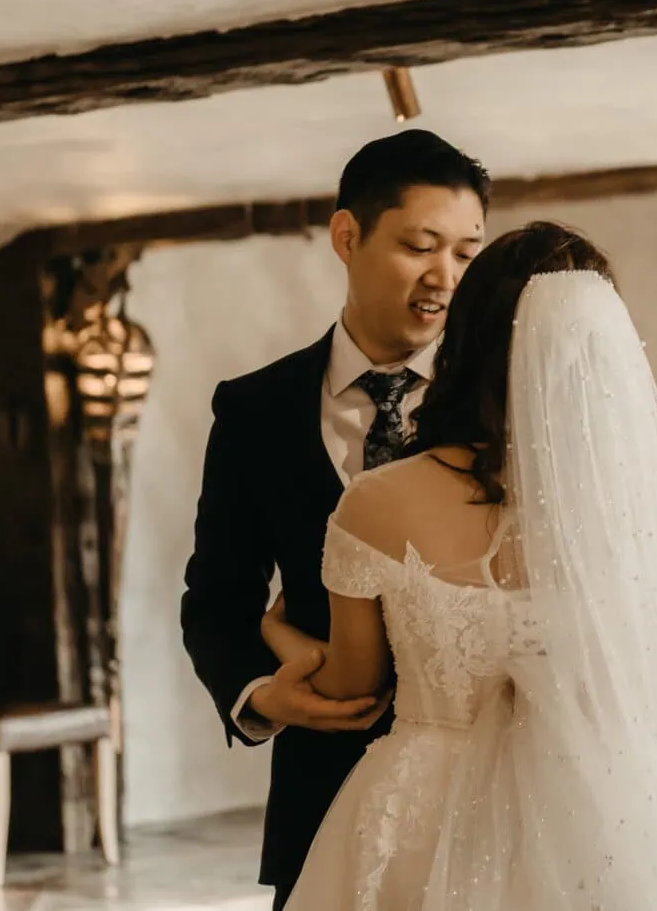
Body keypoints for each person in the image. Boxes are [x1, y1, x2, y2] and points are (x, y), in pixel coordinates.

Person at [269, 221, 657, 910]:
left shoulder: (376, 504)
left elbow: (353, 690)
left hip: (421, 808)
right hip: (592, 816)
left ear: (466, 340)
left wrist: (277, 637)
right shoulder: (628, 509)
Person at [181, 130, 490, 907]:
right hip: (320, 805)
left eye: (465, 253)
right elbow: (216, 598)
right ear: (347, 236)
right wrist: (261, 693)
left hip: (486, 796)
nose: (444, 277)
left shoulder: (503, 404)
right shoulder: (253, 410)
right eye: (420, 245)